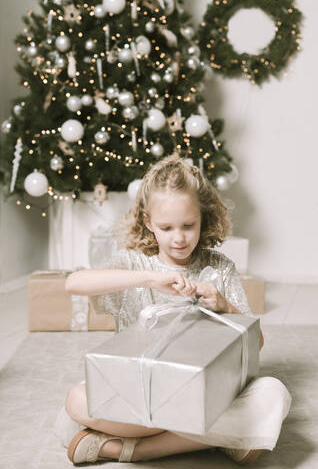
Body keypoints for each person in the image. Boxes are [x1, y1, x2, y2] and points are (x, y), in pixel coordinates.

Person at [55, 155, 291, 465]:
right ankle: (216, 437)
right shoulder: (135, 263)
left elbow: (256, 345)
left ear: (203, 218)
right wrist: (151, 278)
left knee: (274, 394)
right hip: (142, 390)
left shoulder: (219, 269)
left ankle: (129, 449)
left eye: (188, 225)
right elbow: (74, 283)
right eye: (166, 227)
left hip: (206, 392)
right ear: (148, 221)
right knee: (76, 403)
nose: (179, 237)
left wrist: (225, 306)